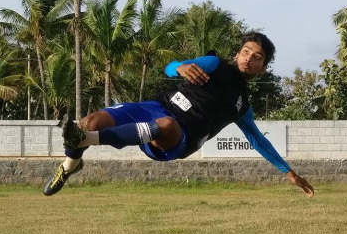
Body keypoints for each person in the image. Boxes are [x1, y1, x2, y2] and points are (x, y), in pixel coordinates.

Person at [42, 31, 315, 197]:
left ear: (263, 68)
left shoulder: (242, 105)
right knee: (92, 121)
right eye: (246, 52)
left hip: (182, 135)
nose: (248, 58)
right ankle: (70, 165)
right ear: (237, 53)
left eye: (257, 57)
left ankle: (83, 139)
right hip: (157, 105)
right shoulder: (214, 63)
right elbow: (172, 66)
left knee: (165, 125)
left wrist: (289, 172)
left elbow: (258, 140)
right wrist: (180, 68)